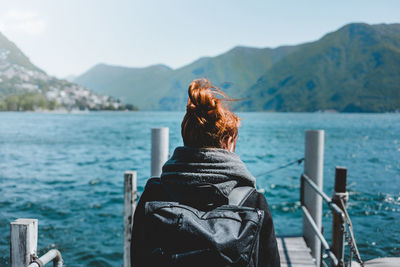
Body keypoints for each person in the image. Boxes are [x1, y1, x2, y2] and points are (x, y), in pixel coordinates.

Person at [131, 79, 280, 267]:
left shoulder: (154, 194)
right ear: (228, 142)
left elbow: (138, 259)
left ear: (186, 137)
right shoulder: (252, 201)